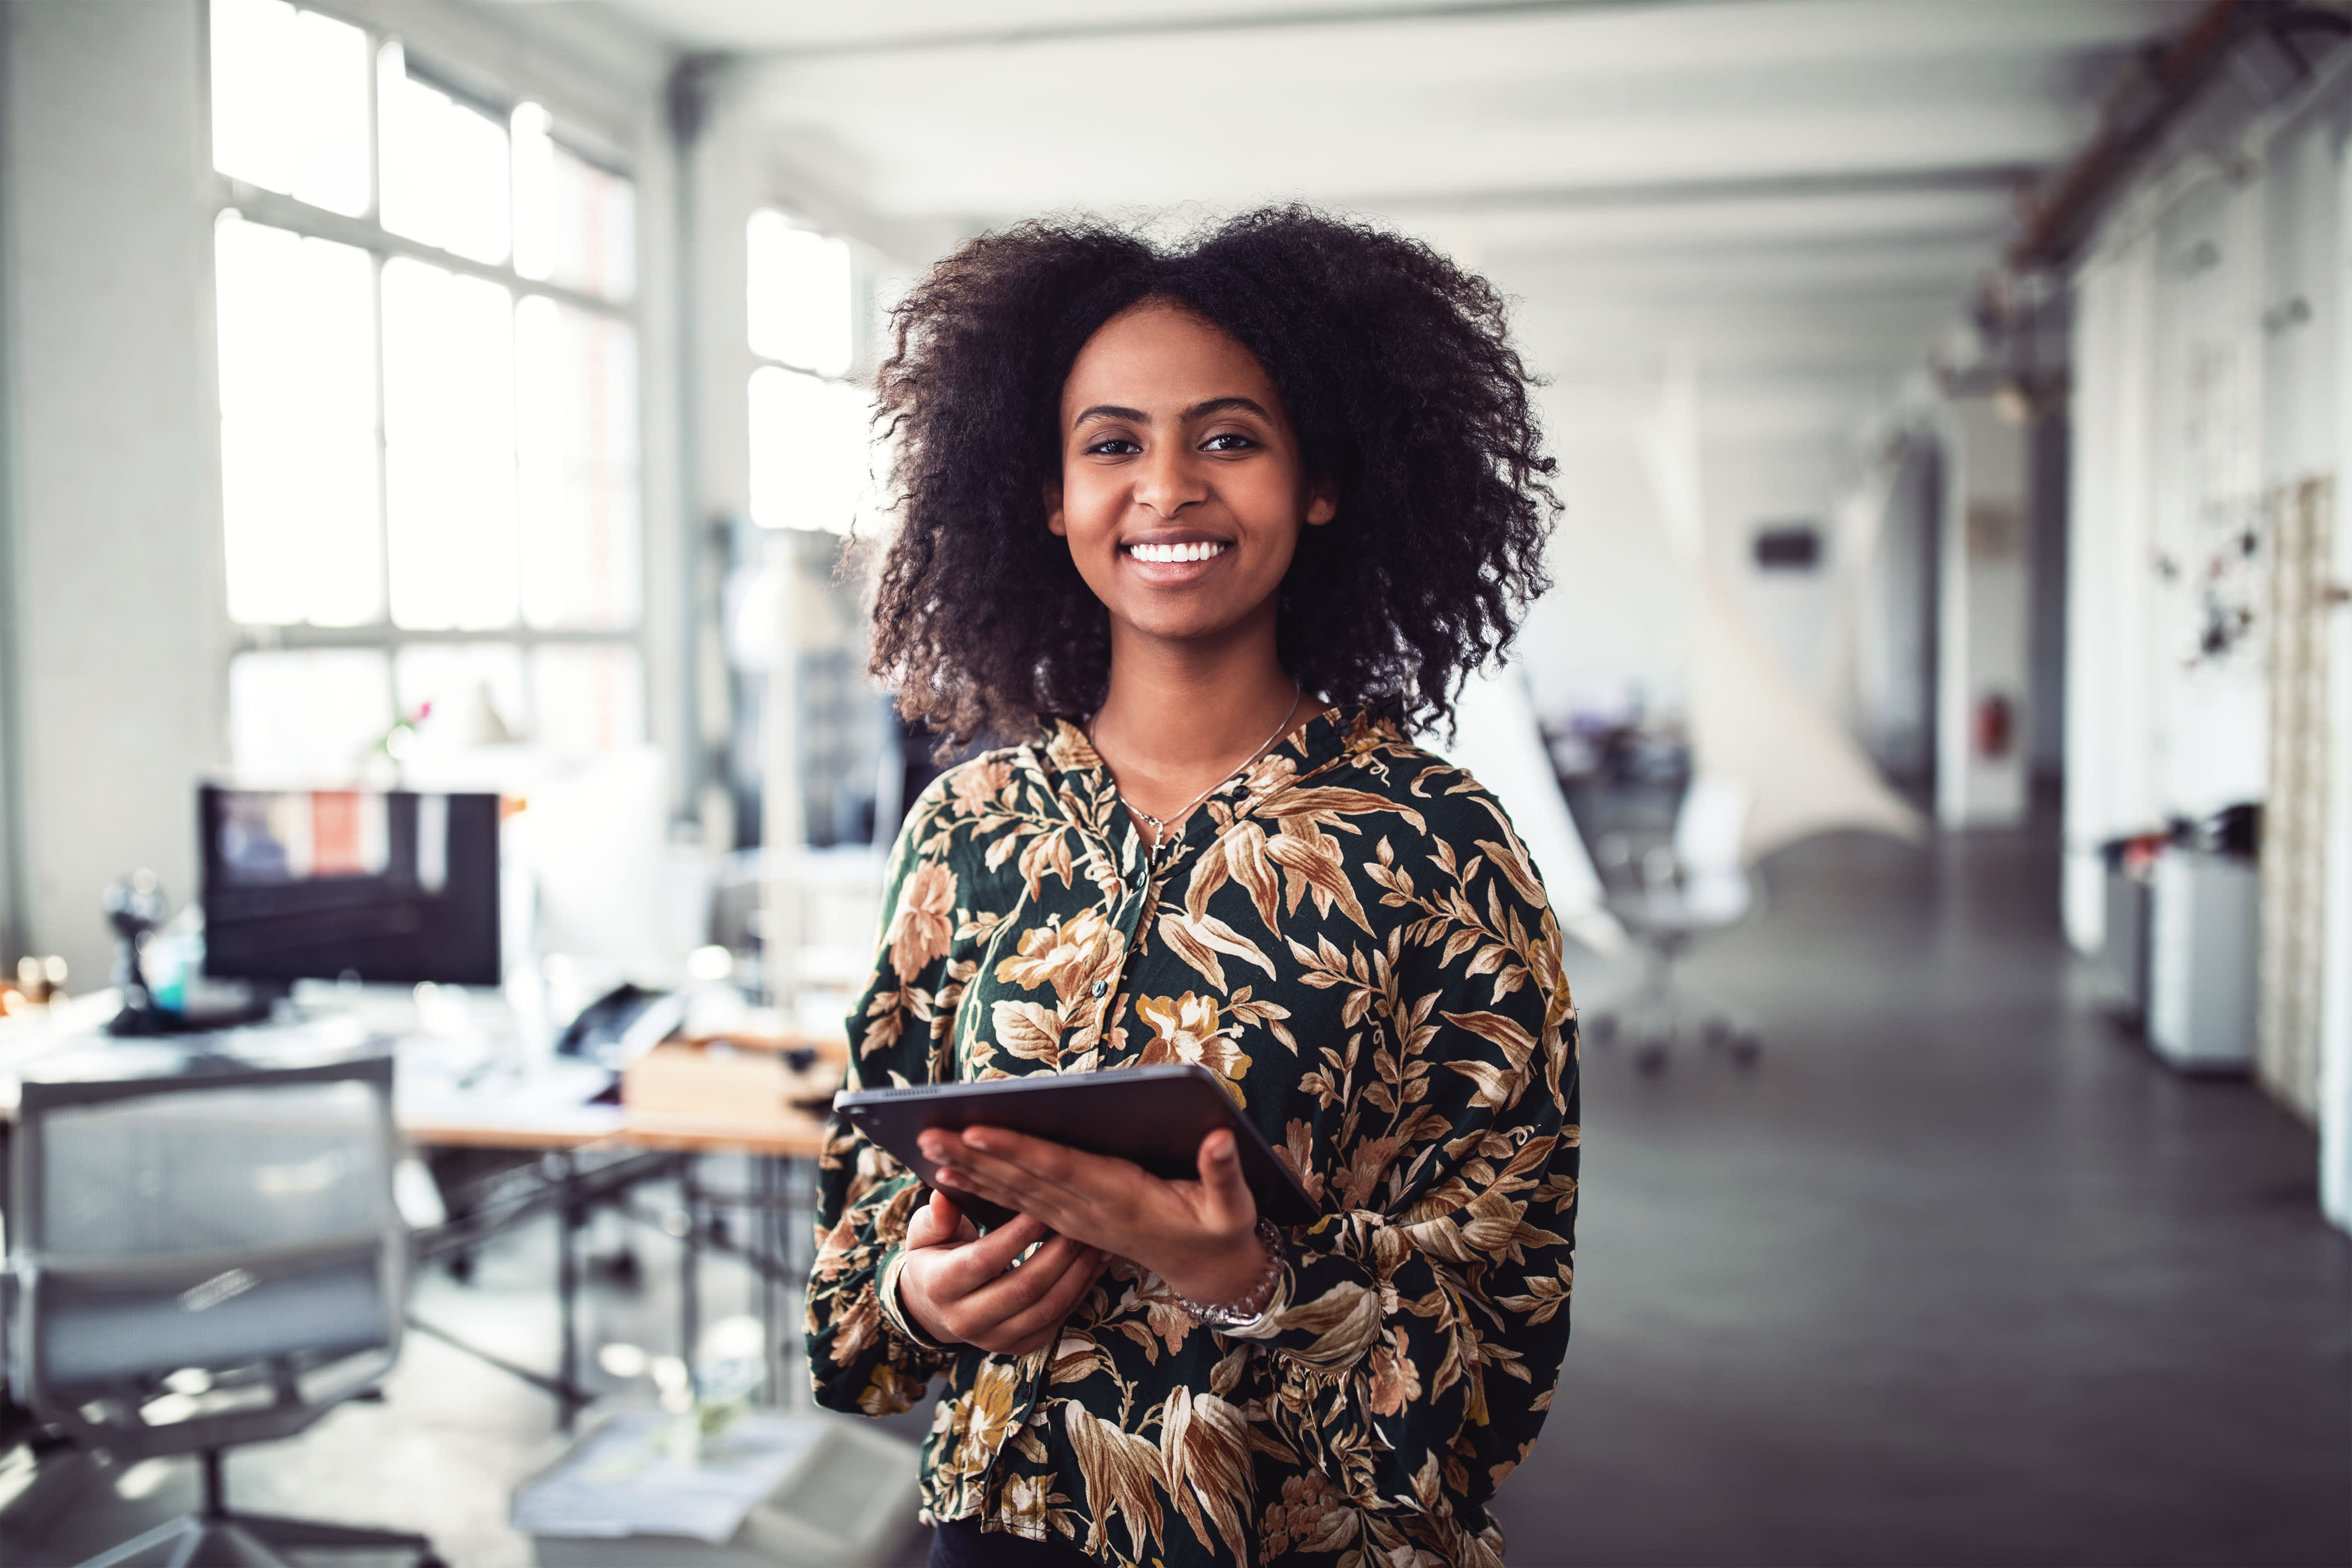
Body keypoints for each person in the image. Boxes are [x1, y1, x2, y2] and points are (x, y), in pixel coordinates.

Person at [806, 206, 1579, 1568]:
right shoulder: (966, 832)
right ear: (1048, 495)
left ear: (1318, 480)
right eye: (1110, 444)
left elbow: (1501, 1354)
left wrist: (1250, 1277)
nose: (1165, 488)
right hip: (1002, 1537)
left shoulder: (1437, 844)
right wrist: (920, 1293)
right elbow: (849, 1297)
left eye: (1227, 438)